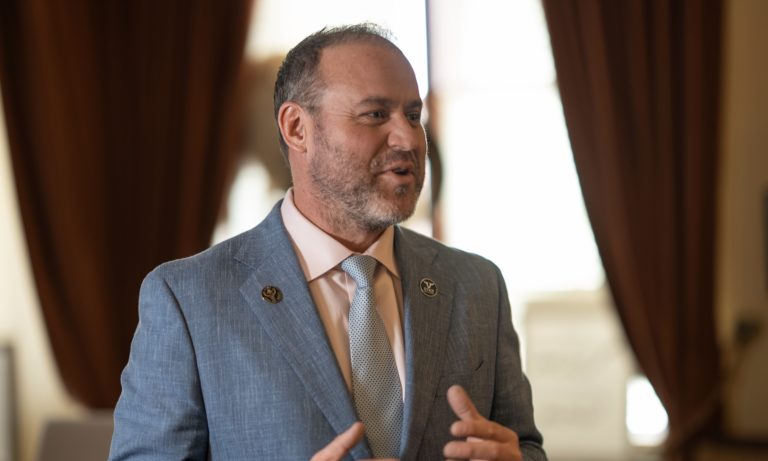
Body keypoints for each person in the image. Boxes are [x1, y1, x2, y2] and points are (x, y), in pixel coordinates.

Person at [109, 23, 546, 461]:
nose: (408, 139)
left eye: (413, 116)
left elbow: (525, 447)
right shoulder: (189, 299)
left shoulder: (477, 285)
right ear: (297, 128)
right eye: (375, 114)